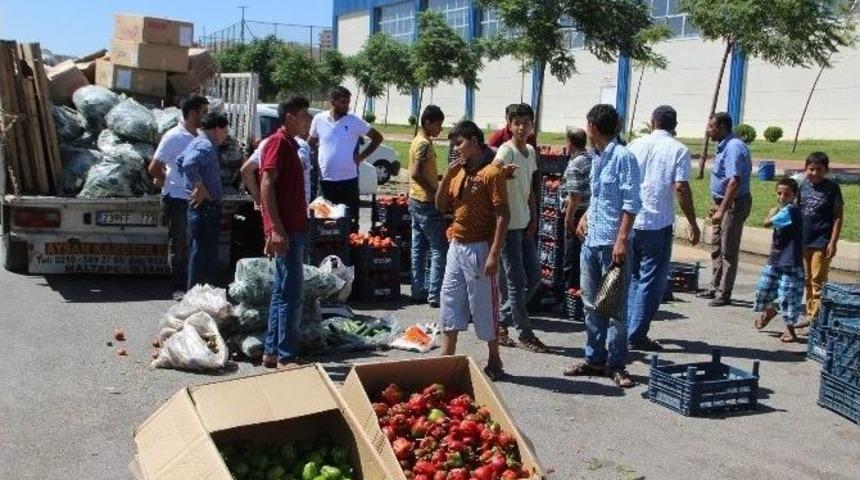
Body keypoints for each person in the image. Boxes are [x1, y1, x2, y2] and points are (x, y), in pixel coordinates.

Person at [563, 104, 641, 388]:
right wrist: (585, 216)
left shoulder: (623, 158)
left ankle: (617, 363)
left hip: (612, 245)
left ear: (592, 127)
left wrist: (621, 240)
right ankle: (594, 358)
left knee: (616, 308)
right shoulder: (596, 158)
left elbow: (631, 203)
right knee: (591, 304)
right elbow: (600, 198)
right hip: (592, 241)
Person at [436, 121, 510, 381]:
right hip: (456, 245)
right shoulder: (458, 172)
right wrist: (447, 175)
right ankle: (447, 356)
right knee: (449, 298)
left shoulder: (492, 173)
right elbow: (440, 205)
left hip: (480, 246)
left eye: (459, 143)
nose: (456, 148)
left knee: (484, 304)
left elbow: (503, 216)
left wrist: (494, 254)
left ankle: (494, 358)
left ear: (474, 141)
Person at [625, 106, 701, 351]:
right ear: (674, 124)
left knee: (634, 278)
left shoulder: (635, 145)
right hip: (657, 222)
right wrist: (691, 221)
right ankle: (636, 333)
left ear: (652, 122)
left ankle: (628, 328)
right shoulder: (678, 149)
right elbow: (680, 187)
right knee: (650, 280)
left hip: (631, 219)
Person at [259, 96, 311, 369]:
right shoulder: (278, 143)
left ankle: (271, 352)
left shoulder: (290, 144)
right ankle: (287, 356)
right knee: (291, 293)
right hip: (287, 229)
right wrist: (276, 229)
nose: (307, 120)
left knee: (282, 291)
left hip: (292, 227)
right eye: (303, 115)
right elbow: (266, 184)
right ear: (289, 116)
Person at [493, 103, 547, 352]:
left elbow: (530, 191)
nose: (522, 128)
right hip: (507, 226)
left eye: (526, 123)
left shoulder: (530, 152)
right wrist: (503, 175)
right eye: (517, 123)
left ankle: (500, 321)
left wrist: (535, 217)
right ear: (509, 125)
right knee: (516, 280)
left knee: (534, 277)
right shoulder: (506, 151)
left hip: (524, 222)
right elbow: (490, 176)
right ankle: (525, 333)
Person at [148, 94, 209, 300]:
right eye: (203, 112)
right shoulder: (174, 136)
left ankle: (194, 285)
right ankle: (179, 288)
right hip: (176, 199)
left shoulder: (200, 136)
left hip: (196, 200)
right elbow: (154, 167)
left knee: (195, 243)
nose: (205, 116)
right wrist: (167, 181)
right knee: (179, 245)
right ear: (192, 113)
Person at [309, 86, 384, 232]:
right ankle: (329, 252)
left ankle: (351, 252)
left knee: (350, 222)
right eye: (343, 102)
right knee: (326, 221)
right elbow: (310, 143)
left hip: (348, 181)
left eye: (348, 102)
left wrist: (361, 157)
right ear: (333, 101)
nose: (346, 106)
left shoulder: (354, 121)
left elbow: (377, 137)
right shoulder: (319, 119)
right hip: (326, 181)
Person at [699, 112, 752, 306]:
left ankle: (724, 292)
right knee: (716, 246)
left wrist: (722, 210)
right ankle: (714, 286)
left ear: (722, 127)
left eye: (711, 126)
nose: (708, 130)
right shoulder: (723, 146)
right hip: (722, 203)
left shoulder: (734, 147)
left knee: (728, 249)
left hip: (733, 204)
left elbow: (734, 181)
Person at [177, 112, 230, 290]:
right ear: (216, 129)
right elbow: (187, 164)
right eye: (225, 131)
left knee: (199, 252)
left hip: (200, 207)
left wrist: (193, 185)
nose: (226, 135)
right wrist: (199, 186)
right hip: (205, 207)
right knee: (203, 255)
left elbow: (179, 161)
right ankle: (197, 295)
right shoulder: (206, 146)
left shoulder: (196, 142)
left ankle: (197, 293)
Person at [753, 178, 805, 343]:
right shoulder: (784, 209)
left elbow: (766, 223)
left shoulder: (790, 210)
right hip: (775, 258)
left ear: (795, 195)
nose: (782, 197)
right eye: (779, 193)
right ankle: (771, 310)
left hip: (790, 261)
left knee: (788, 295)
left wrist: (771, 212)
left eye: (787, 194)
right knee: (763, 290)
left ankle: (789, 329)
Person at [407, 105, 448, 307]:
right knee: (439, 248)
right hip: (425, 201)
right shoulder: (423, 144)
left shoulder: (418, 141)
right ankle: (435, 294)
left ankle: (417, 289)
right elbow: (415, 173)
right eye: (438, 124)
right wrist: (435, 193)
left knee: (419, 247)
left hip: (415, 199)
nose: (440, 129)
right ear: (428, 122)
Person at [798, 152, 844, 328]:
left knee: (818, 281)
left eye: (819, 170)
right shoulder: (802, 185)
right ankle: (810, 313)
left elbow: (838, 216)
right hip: (803, 240)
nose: (815, 173)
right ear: (805, 169)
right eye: (811, 169)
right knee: (807, 279)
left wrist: (833, 242)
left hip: (821, 241)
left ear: (826, 170)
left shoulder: (832, 188)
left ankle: (815, 319)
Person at [562, 128, 591, 302]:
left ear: (570, 143)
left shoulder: (575, 164)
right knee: (581, 251)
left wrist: (568, 218)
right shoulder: (589, 159)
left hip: (577, 211)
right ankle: (580, 286)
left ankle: (570, 290)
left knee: (571, 253)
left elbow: (575, 196)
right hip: (587, 211)